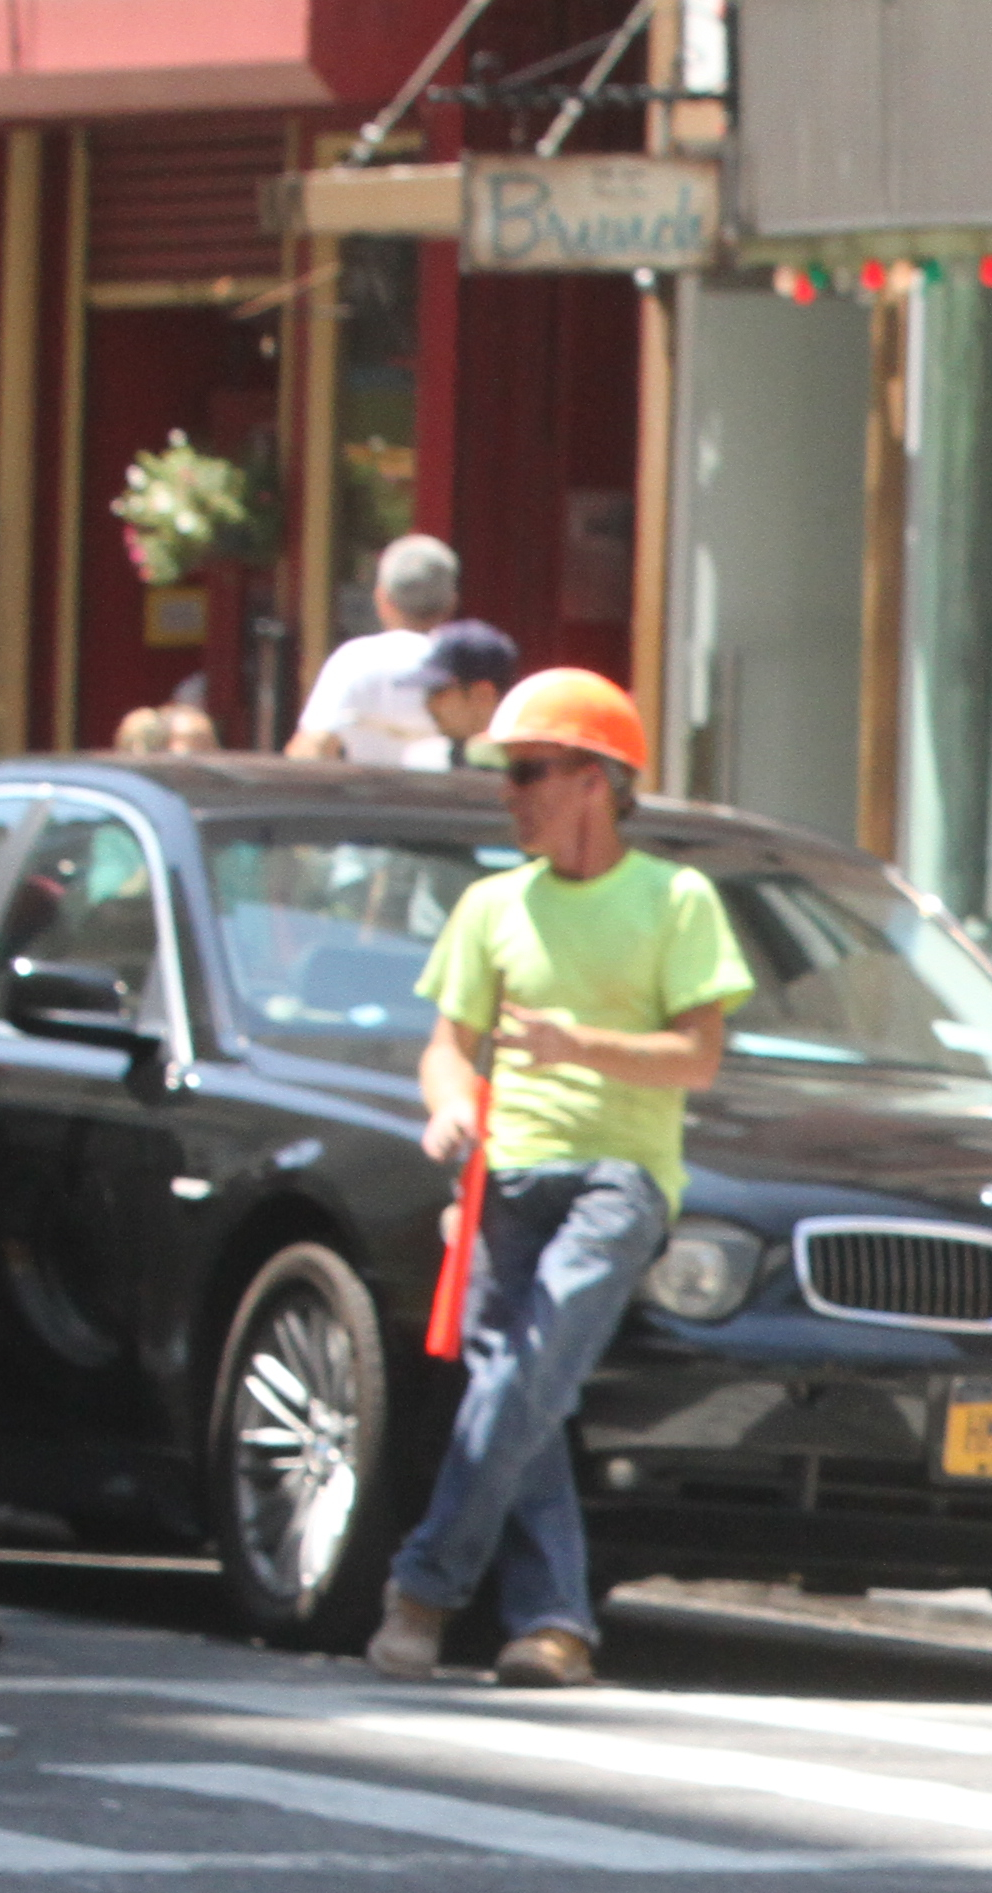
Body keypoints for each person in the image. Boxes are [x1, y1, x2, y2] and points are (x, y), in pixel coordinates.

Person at [365, 671, 751, 1690]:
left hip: (620, 1176)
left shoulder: (677, 900)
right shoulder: (492, 905)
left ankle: (423, 1589)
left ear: (597, 780)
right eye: (507, 772)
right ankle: (552, 1625)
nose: (510, 792)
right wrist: (449, 1102)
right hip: (509, 1172)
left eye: (530, 771)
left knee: (524, 1372)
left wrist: (574, 1043)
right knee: (519, 1388)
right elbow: (447, 1049)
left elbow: (699, 1058)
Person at [287, 537, 466, 762]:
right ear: (452, 603)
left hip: (366, 796)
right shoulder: (462, 664)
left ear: (382, 598)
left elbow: (311, 749)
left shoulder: (354, 659)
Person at [413, 620, 520, 767]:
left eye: (438, 692)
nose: (429, 706)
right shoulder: (427, 761)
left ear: (482, 694)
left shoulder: (531, 768)